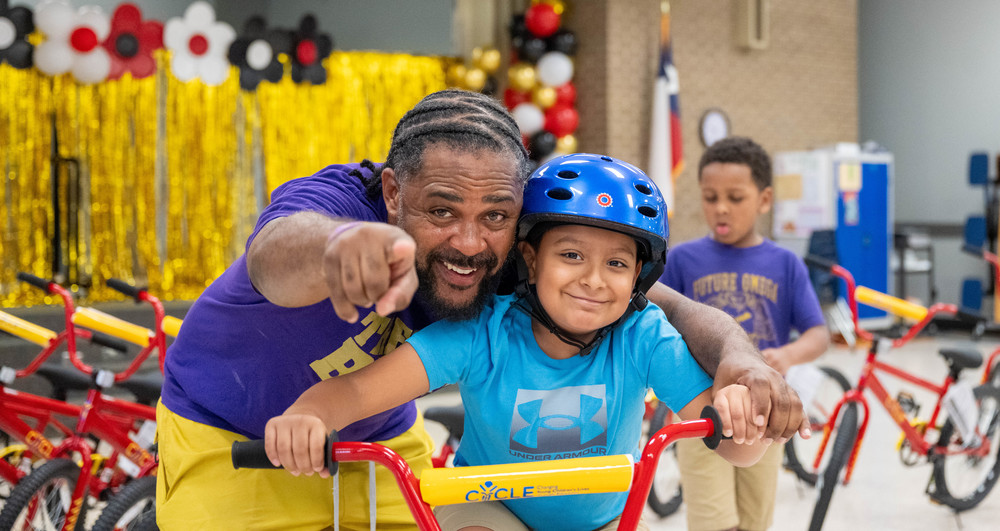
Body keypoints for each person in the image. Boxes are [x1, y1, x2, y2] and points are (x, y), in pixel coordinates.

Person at [156, 90, 804, 530]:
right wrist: (339, 246)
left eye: (494, 215)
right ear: (391, 191)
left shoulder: (527, 264)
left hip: (376, 442)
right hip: (233, 435)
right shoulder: (340, 205)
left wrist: (744, 368)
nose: (470, 242)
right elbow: (271, 255)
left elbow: (665, 307)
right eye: (442, 210)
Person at [265, 153, 768, 531]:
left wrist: (744, 418)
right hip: (487, 507)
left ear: (639, 275)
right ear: (529, 258)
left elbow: (740, 452)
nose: (593, 280)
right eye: (571, 255)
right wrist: (311, 415)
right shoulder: (481, 331)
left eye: (616, 264)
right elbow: (355, 392)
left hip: (602, 521)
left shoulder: (643, 336)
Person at [661, 136, 829, 531]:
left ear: (765, 199)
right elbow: (657, 325)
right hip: (698, 408)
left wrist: (787, 356)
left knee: (755, 521)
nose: (720, 207)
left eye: (735, 197)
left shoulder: (785, 263)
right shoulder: (682, 258)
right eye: (710, 196)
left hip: (767, 413)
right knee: (713, 521)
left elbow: (818, 334)